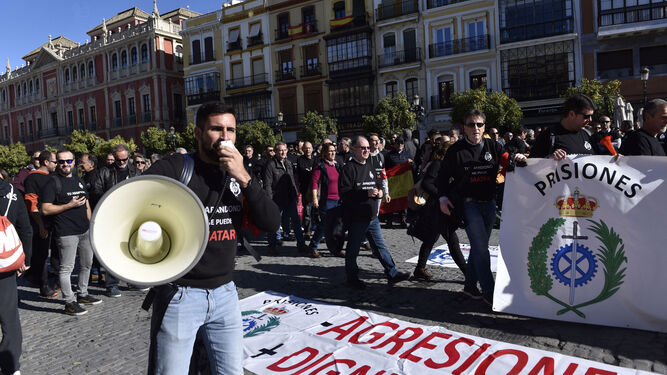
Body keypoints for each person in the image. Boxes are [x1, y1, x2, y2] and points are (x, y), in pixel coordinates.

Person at [142, 101, 280, 374]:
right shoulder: (177, 168)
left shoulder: (239, 174)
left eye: (231, 130)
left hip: (225, 293)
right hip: (181, 294)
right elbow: (130, 200)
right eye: (216, 129)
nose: (225, 137)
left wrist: (243, 176)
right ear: (198, 133)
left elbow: (271, 222)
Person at [438, 109, 526, 305]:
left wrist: (517, 158)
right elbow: (442, 177)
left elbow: (507, 160)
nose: (475, 128)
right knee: (481, 248)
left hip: (489, 204)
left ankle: (470, 287)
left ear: (484, 127)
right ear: (464, 128)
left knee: (479, 248)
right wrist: (442, 197)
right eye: (471, 124)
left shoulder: (493, 146)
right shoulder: (455, 151)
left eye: (479, 124)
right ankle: (489, 290)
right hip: (468, 205)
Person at [339, 136, 410, 289]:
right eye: (362, 148)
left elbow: (377, 182)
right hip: (357, 218)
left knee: (380, 246)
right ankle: (352, 278)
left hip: (372, 216)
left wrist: (379, 193)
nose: (366, 150)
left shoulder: (370, 164)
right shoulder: (348, 168)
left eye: (367, 148)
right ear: (354, 150)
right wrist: (366, 193)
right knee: (353, 249)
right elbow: (344, 194)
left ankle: (392, 273)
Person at [42, 149, 102, 316]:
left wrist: (91, 226)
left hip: (84, 230)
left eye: (69, 161)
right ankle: (69, 301)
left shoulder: (79, 181)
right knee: (66, 268)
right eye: (61, 161)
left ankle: (82, 294)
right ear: (57, 163)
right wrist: (68, 205)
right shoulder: (52, 182)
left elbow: (87, 205)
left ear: (74, 162)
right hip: (66, 232)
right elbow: (45, 209)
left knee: (86, 264)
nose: (65, 165)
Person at [412, 140, 466, 280]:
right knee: (452, 240)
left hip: (441, 207)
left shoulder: (450, 165)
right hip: (436, 208)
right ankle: (468, 272)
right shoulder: (437, 164)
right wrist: (442, 194)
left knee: (430, 238)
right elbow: (426, 183)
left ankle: (419, 268)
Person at [94, 144, 141, 297]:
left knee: (131, 248)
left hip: (131, 215)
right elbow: (97, 190)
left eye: (124, 159)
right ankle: (112, 284)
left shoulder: (135, 171)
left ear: (129, 157)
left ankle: (132, 280)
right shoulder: (105, 171)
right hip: (112, 215)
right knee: (112, 251)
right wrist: (112, 199)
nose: (121, 162)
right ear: (114, 158)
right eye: (119, 160)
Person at [0, 178, 32, 375]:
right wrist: (24, 259)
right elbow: (25, 228)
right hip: (5, 264)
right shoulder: (11, 191)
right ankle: (11, 367)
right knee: (9, 317)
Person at [263, 142, 315, 257]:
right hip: (276, 199)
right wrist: (269, 200)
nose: (283, 152)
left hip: (290, 197)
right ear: (276, 151)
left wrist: (295, 194)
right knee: (274, 223)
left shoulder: (288, 163)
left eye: (284, 150)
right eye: (280, 150)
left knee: (296, 222)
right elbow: (267, 184)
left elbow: (292, 180)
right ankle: (271, 246)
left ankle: (301, 244)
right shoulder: (270, 164)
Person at [22, 151, 59, 298]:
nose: (56, 164)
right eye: (55, 162)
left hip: (53, 222)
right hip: (41, 222)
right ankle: (43, 287)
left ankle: (54, 281)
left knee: (53, 254)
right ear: (46, 162)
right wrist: (41, 226)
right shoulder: (32, 178)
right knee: (43, 255)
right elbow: (31, 204)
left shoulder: (51, 177)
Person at [530, 93, 597, 159]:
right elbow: (531, 165)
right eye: (586, 116)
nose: (590, 119)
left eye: (591, 116)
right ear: (572, 114)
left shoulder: (588, 135)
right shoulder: (548, 135)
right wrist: (549, 159)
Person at [308, 143, 345, 257]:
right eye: (330, 151)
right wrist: (315, 198)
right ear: (324, 153)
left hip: (338, 201)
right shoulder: (320, 166)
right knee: (324, 225)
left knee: (338, 227)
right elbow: (314, 183)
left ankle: (337, 249)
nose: (333, 153)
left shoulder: (337, 166)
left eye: (334, 150)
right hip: (326, 201)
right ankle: (313, 246)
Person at [296, 142, 316, 239]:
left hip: (316, 190)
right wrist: (310, 172)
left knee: (316, 212)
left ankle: (317, 231)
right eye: (306, 148)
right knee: (307, 211)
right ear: (302, 149)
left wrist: (310, 171)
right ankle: (307, 231)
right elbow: (303, 172)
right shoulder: (300, 160)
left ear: (312, 149)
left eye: (309, 148)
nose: (308, 150)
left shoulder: (316, 159)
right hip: (305, 189)